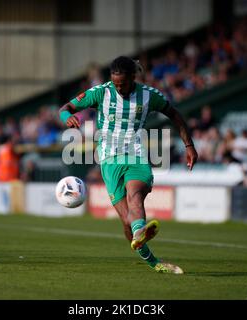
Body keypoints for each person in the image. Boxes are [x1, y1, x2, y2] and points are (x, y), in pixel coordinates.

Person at [59, 56, 198, 274]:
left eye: (122, 83)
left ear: (133, 77)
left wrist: (189, 145)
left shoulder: (149, 95)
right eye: (115, 83)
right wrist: (68, 117)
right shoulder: (100, 92)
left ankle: (139, 230)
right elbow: (65, 107)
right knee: (127, 221)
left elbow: (174, 114)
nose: (119, 87)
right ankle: (151, 257)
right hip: (109, 159)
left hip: (136, 156)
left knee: (135, 195)